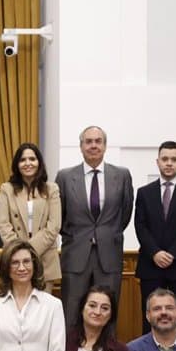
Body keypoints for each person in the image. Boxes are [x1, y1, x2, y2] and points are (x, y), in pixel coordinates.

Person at [55, 125, 134, 332]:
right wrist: (75, 236)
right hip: (75, 254)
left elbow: (124, 214)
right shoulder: (64, 177)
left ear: (105, 146)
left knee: (108, 312)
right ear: (81, 146)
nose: (93, 145)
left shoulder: (122, 175)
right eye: (88, 141)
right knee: (71, 313)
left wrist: (106, 234)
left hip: (109, 254)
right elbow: (59, 216)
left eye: (98, 141)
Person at [134, 140, 176, 338]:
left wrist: (172, 254)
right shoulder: (144, 193)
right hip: (150, 266)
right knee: (149, 318)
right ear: (157, 162)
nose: (169, 163)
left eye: (174, 159)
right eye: (165, 159)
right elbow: (140, 226)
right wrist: (155, 252)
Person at [0, 142, 62, 289]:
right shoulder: (7, 189)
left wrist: (28, 251)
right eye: (23, 160)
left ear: (39, 162)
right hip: (15, 261)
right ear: (17, 165)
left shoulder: (52, 189)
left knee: (43, 310)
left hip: (45, 259)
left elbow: (54, 226)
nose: (28, 163)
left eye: (32, 159)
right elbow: (3, 223)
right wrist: (19, 253)